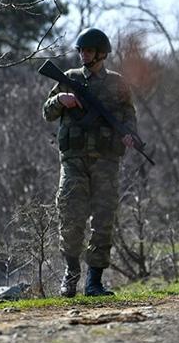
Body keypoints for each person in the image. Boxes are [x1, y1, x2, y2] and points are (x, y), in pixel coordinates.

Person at [42, 28, 138, 297]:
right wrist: (60, 99)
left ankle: (94, 282)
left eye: (89, 50)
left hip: (106, 161)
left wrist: (130, 135)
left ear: (101, 53)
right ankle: (70, 276)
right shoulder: (69, 79)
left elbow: (129, 116)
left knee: (104, 220)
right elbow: (47, 112)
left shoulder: (118, 84)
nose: (83, 54)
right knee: (71, 217)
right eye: (81, 50)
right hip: (73, 161)